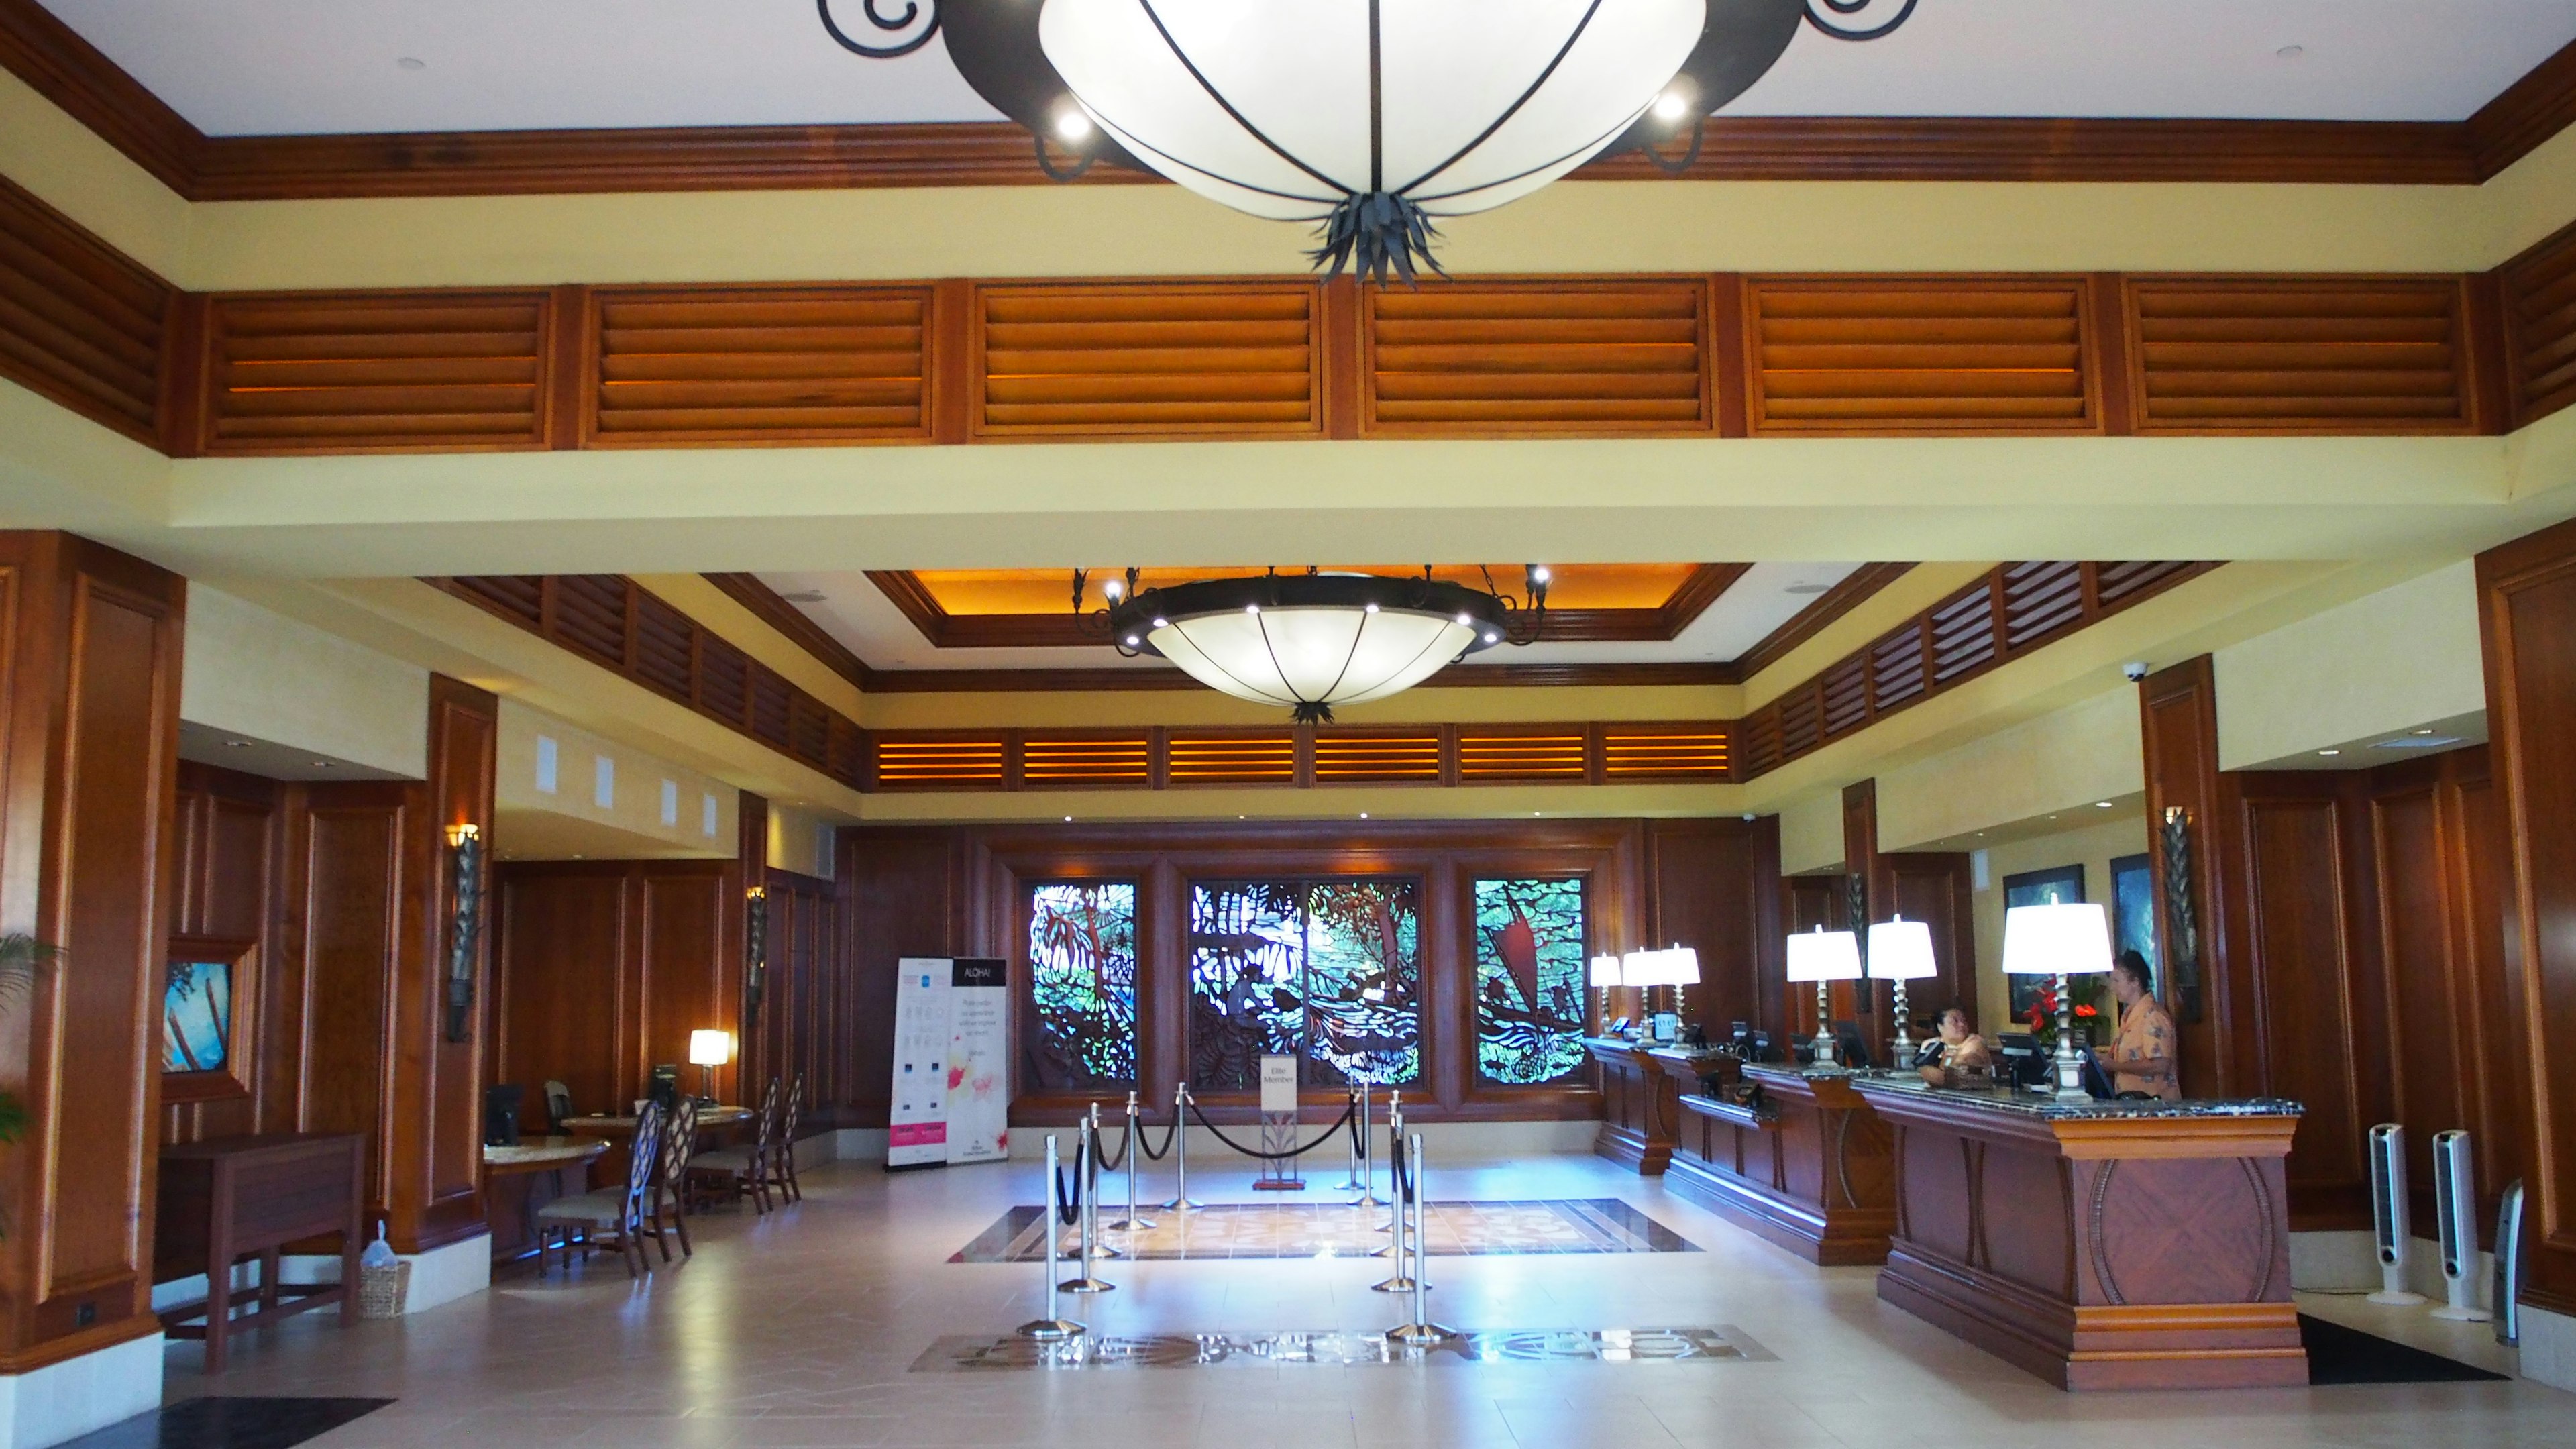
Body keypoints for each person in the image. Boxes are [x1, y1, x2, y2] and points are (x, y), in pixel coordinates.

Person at [2102, 949, 2180, 1101]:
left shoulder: (2153, 1016)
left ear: (2135, 981)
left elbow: (2161, 1064)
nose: (2112, 988)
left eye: (2117, 981)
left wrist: (2114, 1066)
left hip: (2154, 1104)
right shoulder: (2129, 1016)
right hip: (2132, 1102)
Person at [1930, 1006, 1991, 1071]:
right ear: (1940, 1027)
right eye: (1955, 1021)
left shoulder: (1975, 1042)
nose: (1962, 1024)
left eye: (1964, 1020)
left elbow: (1961, 1062)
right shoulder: (1934, 1044)